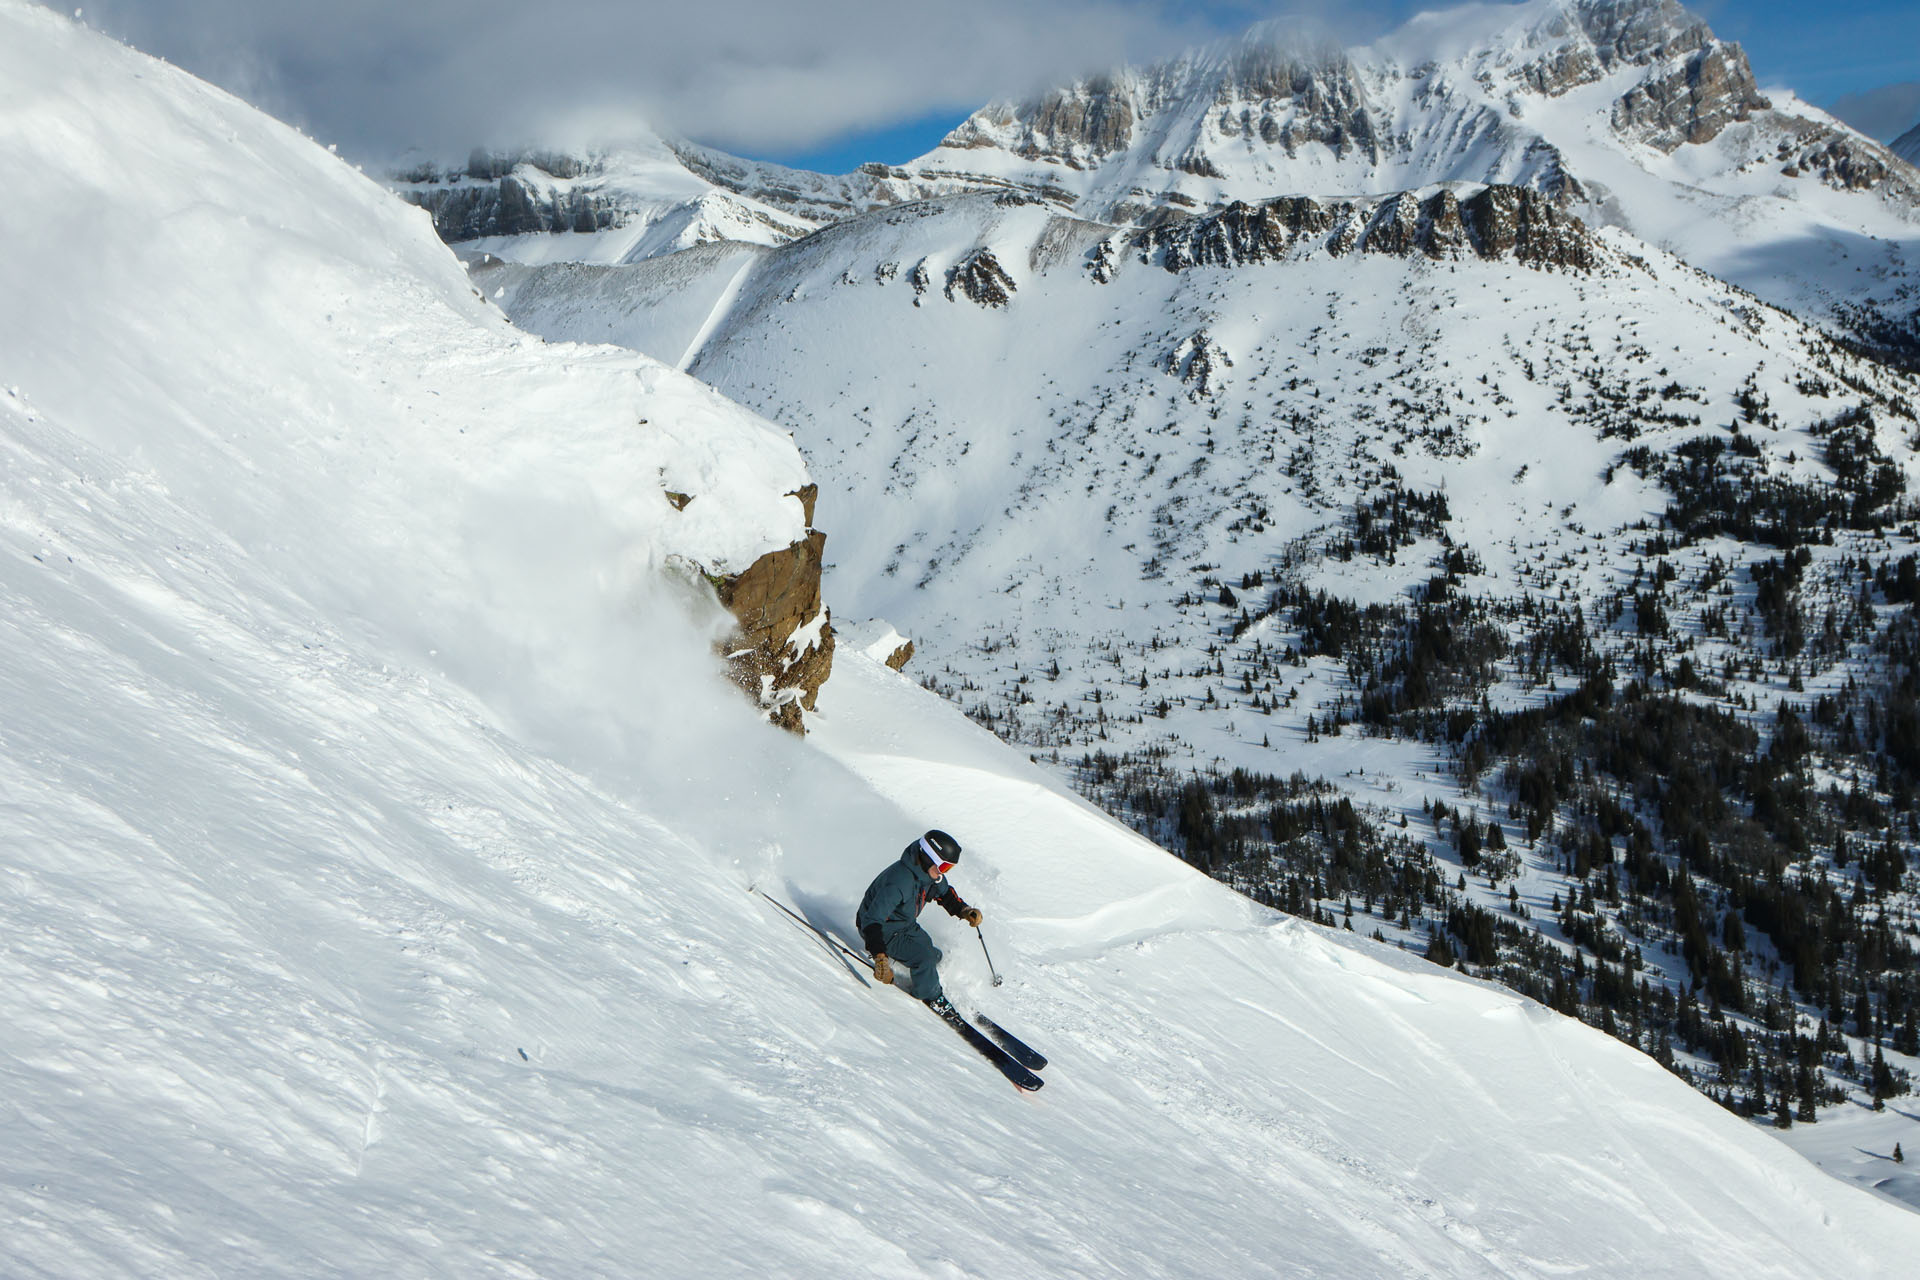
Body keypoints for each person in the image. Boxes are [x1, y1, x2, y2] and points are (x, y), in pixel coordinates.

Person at [856, 829, 983, 1014]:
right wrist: (880, 957)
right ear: (928, 858)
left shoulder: (929, 875)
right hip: (881, 930)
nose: (943, 873)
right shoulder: (899, 882)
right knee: (924, 959)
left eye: (948, 869)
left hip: (904, 924)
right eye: (943, 867)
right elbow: (872, 920)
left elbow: (944, 894)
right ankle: (931, 996)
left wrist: (964, 910)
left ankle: (922, 972)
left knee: (933, 955)